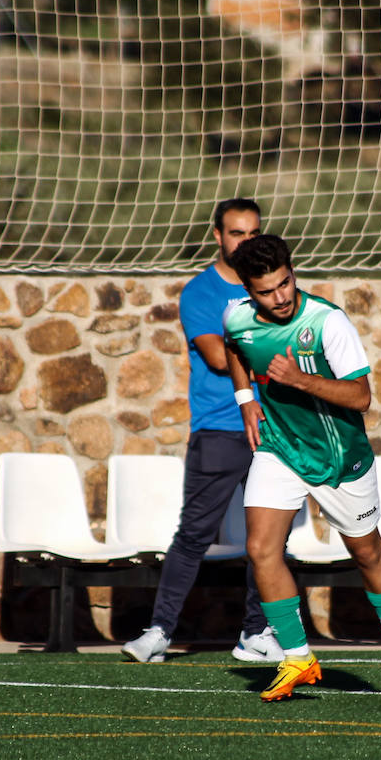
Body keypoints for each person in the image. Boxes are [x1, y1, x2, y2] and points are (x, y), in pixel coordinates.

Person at [222, 234, 381, 701]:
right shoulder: (237, 317)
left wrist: (299, 380)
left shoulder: (327, 323)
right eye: (267, 291)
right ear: (250, 292)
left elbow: (361, 397)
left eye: (286, 283)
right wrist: (246, 398)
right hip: (279, 448)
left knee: (368, 554)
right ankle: (297, 658)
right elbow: (234, 347)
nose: (281, 296)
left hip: (339, 458)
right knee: (260, 548)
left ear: (293, 274)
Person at [122, 199, 283, 664]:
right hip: (219, 430)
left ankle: (257, 632)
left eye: (253, 233)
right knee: (194, 535)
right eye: (236, 233)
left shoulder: (273, 288)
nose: (245, 242)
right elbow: (218, 358)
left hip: (272, 431)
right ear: (218, 236)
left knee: (269, 542)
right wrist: (270, 349)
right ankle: (158, 632)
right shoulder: (200, 293)